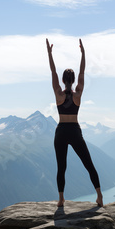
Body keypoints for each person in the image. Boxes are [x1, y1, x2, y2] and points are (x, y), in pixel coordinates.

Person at [46, 38, 103, 208]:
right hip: (75, 131)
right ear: (73, 80)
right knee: (89, 164)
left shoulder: (58, 94)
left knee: (61, 167)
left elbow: (53, 72)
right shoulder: (78, 94)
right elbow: (82, 73)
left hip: (61, 131)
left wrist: (49, 54)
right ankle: (100, 196)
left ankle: (61, 199)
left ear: (63, 80)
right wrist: (83, 54)